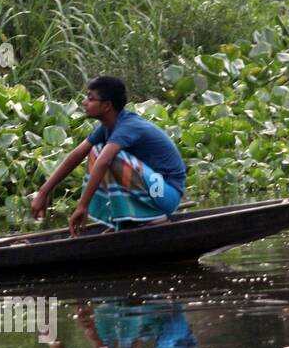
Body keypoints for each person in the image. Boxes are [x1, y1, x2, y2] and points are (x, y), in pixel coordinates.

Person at [30, 75, 186, 236]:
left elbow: (104, 161)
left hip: (165, 193)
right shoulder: (107, 127)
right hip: (155, 190)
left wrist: (82, 206)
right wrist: (44, 192)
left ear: (106, 106)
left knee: (105, 156)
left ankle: (155, 218)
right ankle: (126, 220)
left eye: (90, 99)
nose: (84, 102)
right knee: (97, 151)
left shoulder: (128, 126)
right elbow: (76, 155)